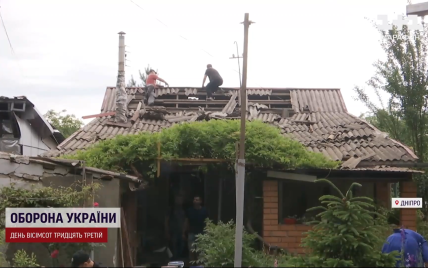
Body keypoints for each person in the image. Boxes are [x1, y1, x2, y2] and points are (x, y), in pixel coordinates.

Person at [183, 195, 208, 262]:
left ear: (200, 201)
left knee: (200, 252)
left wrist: (207, 231)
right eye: (194, 199)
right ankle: (192, 264)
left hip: (201, 233)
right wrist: (184, 232)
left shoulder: (204, 210)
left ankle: (199, 265)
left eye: (197, 199)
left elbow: (207, 221)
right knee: (191, 251)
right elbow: (186, 221)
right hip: (192, 233)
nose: (195, 201)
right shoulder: (189, 210)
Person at [165, 195, 186, 260]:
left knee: (181, 246)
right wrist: (167, 231)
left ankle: (178, 259)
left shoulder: (184, 209)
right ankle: (174, 260)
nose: (179, 201)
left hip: (181, 231)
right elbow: (166, 220)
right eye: (178, 200)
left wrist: (184, 231)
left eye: (180, 200)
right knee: (174, 247)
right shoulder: (171, 209)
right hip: (173, 231)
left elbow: (186, 220)